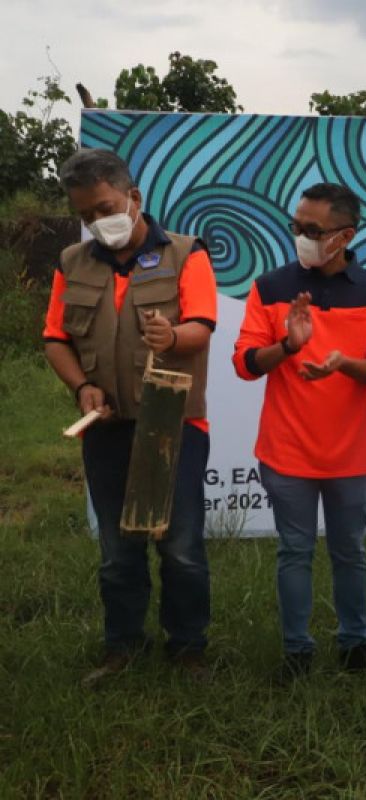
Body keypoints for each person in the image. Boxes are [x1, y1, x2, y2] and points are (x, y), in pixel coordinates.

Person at [43, 148, 216, 686]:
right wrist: (82, 387)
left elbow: (202, 327)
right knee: (118, 551)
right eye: (87, 214)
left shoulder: (186, 254)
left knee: (180, 546)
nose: (98, 222)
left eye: (106, 207)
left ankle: (188, 650)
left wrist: (173, 336)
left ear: (133, 198)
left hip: (174, 426)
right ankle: (123, 649)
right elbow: (56, 339)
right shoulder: (72, 262)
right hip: (108, 430)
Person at [232, 183, 366, 680]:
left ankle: (355, 645)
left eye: (312, 230)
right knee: (294, 552)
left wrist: (345, 364)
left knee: (351, 553)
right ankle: (296, 653)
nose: (300, 236)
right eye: (296, 226)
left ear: (344, 236)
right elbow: (244, 364)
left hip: (349, 454)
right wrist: (288, 344)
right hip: (286, 452)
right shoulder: (269, 288)